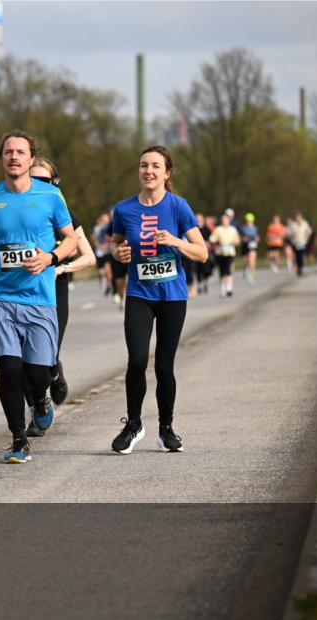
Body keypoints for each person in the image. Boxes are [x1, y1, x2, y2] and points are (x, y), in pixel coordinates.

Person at [0, 130, 78, 463]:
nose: (14, 157)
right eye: (8, 152)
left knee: (37, 375)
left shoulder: (51, 196)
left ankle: (41, 402)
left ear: (31, 158)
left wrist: (50, 258)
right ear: (1, 158)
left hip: (40, 298)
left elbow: (71, 240)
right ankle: (18, 439)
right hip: (1, 296)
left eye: (20, 152)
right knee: (10, 369)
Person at [108, 146, 208, 455]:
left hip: (172, 297)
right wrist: (118, 253)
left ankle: (166, 429)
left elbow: (202, 252)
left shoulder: (178, 207)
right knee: (137, 360)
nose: (148, 171)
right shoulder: (124, 209)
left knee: (164, 365)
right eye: (143, 165)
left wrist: (175, 241)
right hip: (139, 295)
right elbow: (114, 244)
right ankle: (133, 425)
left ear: (166, 173)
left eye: (155, 166)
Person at [28, 156, 96, 410]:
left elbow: (89, 257)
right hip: (22, 288)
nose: (38, 185)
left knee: (46, 355)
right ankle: (38, 412)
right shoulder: (14, 212)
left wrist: (60, 268)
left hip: (55, 287)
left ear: (54, 183)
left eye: (45, 181)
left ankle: (54, 370)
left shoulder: (64, 214)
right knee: (23, 360)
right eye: (32, 180)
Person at [209, 212, 240, 297]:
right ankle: (222, 289)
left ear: (229, 221)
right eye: (223, 220)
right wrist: (218, 242)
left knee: (228, 270)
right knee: (222, 271)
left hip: (230, 253)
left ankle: (229, 289)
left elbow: (238, 241)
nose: (224, 221)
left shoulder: (233, 229)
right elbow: (212, 240)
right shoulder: (218, 229)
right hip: (220, 253)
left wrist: (233, 243)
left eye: (226, 220)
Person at [287, 212, 313, 277]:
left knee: (301, 255)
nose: (298, 219)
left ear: (301, 217)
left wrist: (307, 236)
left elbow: (309, 231)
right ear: (295, 218)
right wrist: (292, 234)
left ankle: (300, 268)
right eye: (297, 217)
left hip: (303, 242)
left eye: (299, 217)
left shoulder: (305, 223)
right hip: (295, 242)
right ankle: (298, 267)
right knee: (296, 256)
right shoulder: (292, 224)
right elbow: (288, 233)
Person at [240, 212, 259, 284]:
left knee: (252, 261)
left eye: (250, 221)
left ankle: (252, 276)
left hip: (252, 247)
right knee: (245, 261)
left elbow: (257, 237)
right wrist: (244, 239)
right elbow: (241, 238)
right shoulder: (243, 228)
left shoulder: (255, 228)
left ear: (253, 221)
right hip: (245, 246)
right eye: (248, 221)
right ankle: (245, 269)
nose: (249, 222)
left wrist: (257, 239)